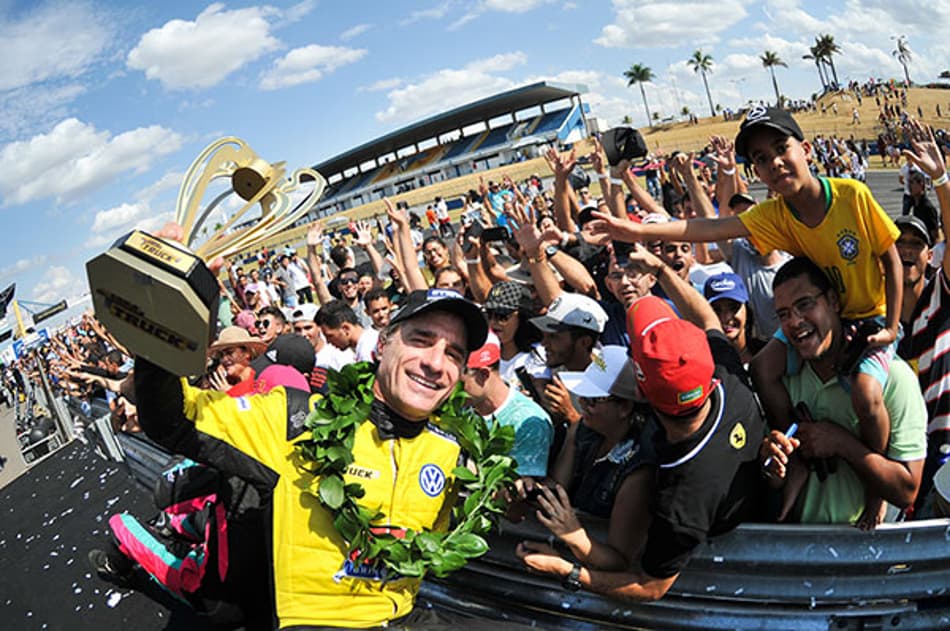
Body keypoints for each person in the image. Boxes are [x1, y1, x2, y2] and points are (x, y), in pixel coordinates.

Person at [589, 106, 902, 527]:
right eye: (758, 158)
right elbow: (705, 229)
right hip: (822, 318)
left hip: (867, 318)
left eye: (780, 148)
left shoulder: (852, 195)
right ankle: (797, 450)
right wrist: (635, 232)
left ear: (805, 149)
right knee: (764, 368)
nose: (772, 162)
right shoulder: (773, 214)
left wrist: (892, 325)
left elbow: (891, 258)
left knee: (866, 394)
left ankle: (874, 486)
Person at [135, 287, 490, 629]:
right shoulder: (297, 418)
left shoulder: (453, 449)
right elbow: (174, 417)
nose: (435, 362)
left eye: (453, 354)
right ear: (381, 345)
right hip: (318, 620)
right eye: (421, 341)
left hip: (405, 616)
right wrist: (167, 312)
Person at [760, 257, 926, 526]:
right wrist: (773, 468)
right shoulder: (783, 378)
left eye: (805, 305)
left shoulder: (893, 379)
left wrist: (841, 443)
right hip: (797, 550)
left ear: (833, 302)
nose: (795, 321)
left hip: (867, 555)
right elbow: (773, 478)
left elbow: (907, 491)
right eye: (783, 314)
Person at [517, 346, 655, 586]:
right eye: (582, 395)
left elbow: (620, 561)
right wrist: (526, 486)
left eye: (592, 401)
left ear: (625, 407)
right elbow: (556, 488)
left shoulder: (638, 472)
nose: (580, 403)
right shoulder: (582, 430)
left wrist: (575, 536)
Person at [461, 332, 553, 478]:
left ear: (484, 375)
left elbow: (517, 493)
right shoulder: (459, 408)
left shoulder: (529, 422)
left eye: (460, 383)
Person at [207, 327, 266, 397]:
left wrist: (231, 392)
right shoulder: (225, 381)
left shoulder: (259, 381)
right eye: (221, 355)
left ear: (247, 353)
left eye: (229, 353)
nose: (224, 359)